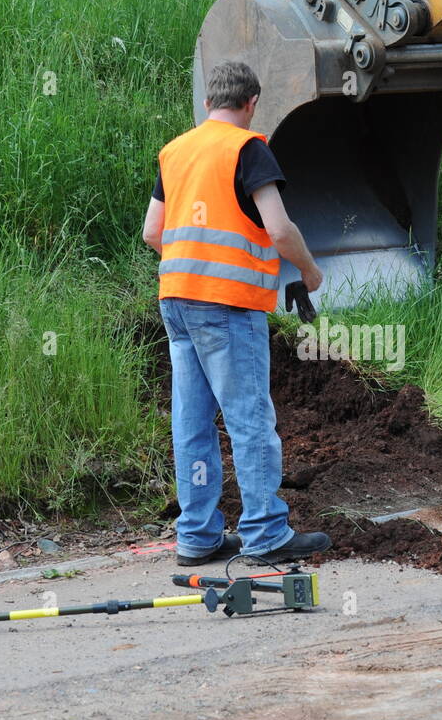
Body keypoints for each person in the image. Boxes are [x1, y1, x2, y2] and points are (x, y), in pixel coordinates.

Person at [142, 60, 331, 566]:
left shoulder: (175, 151)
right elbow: (280, 229)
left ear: (207, 103)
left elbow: (152, 233)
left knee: (193, 423)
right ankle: (267, 533)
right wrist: (310, 274)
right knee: (249, 419)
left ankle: (197, 536)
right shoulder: (248, 148)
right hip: (227, 307)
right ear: (251, 104)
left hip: (176, 300)